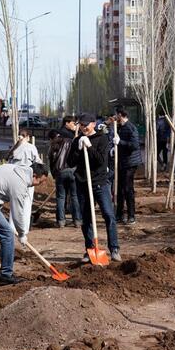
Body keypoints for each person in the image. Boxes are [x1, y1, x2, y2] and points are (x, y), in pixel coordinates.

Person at [67, 113, 120, 263]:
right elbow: (70, 163)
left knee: (109, 215)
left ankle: (114, 248)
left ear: (93, 124)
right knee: (87, 219)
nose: (83, 127)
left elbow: (101, 161)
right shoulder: (77, 140)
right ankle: (89, 249)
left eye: (86, 124)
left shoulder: (102, 139)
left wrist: (89, 147)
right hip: (82, 183)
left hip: (100, 183)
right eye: (81, 125)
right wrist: (78, 148)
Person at [7, 128, 42, 234]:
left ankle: (12, 228)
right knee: (26, 204)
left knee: (14, 204)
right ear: (28, 137)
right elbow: (38, 162)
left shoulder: (14, 148)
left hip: (14, 179)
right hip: (27, 179)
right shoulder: (31, 147)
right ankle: (24, 229)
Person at [49, 120, 83, 228]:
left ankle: (61, 221)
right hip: (72, 171)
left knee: (60, 197)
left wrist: (54, 174)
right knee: (74, 196)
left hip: (60, 172)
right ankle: (77, 220)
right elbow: (77, 155)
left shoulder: (53, 144)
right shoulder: (71, 141)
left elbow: (51, 161)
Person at [114, 109, 142, 225]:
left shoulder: (130, 128)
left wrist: (120, 142)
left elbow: (135, 145)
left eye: (116, 115)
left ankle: (131, 215)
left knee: (127, 189)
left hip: (130, 163)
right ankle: (119, 215)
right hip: (121, 162)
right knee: (119, 189)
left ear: (121, 115)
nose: (115, 117)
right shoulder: (119, 127)